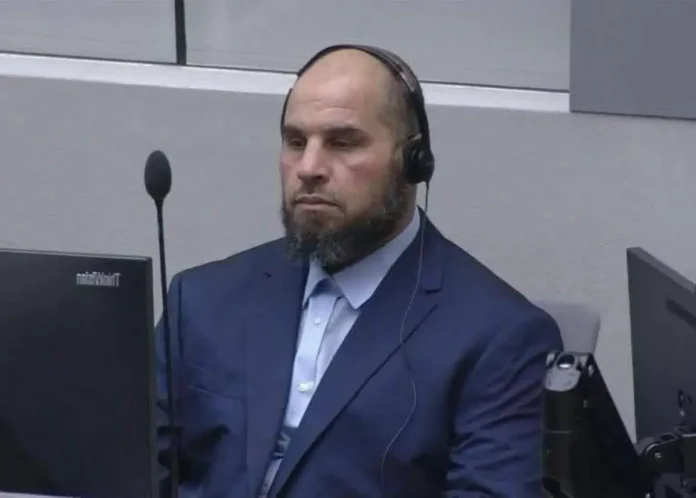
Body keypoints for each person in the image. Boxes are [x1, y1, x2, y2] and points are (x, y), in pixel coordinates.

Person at [155, 44, 563, 498]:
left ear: (412, 161)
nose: (309, 168)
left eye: (342, 142)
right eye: (296, 142)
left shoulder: (500, 339)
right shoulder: (200, 300)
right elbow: (133, 469)